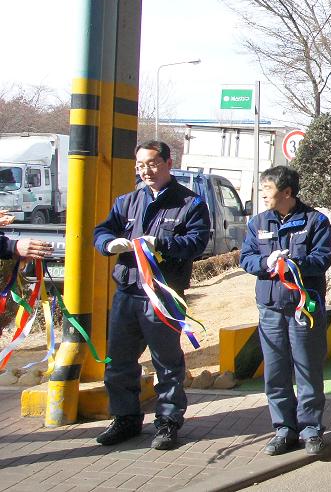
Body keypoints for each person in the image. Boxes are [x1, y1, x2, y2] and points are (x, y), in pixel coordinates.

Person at [92, 141, 210, 450]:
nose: (147, 171)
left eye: (153, 164)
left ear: (169, 163)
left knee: (166, 363)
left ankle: (168, 422)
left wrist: (162, 245)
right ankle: (125, 418)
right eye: (141, 165)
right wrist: (108, 244)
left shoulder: (190, 203)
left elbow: (197, 242)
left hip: (163, 295)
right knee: (119, 361)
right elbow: (101, 232)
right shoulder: (127, 201)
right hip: (128, 292)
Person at [240, 166, 331, 456]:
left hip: (304, 307)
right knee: (276, 372)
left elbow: (322, 259)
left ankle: (310, 429)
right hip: (270, 308)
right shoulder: (258, 223)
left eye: (267, 189)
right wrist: (267, 263)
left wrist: (292, 263)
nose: (263, 195)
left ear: (287, 192)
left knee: (308, 368)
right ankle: (284, 429)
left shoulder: (315, 221)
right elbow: (246, 258)